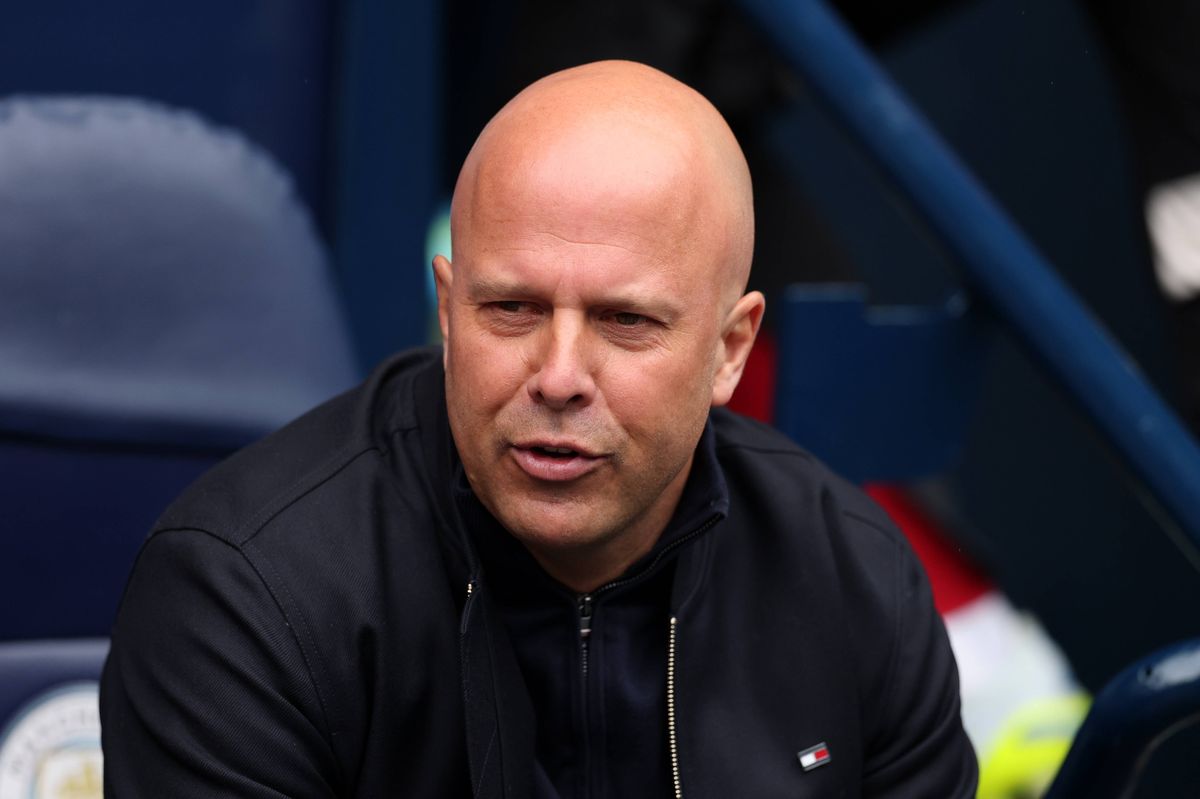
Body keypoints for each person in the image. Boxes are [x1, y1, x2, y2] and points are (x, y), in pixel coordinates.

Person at [100, 60, 977, 797]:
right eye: (511, 308)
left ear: (729, 349)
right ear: (448, 312)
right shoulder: (250, 595)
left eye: (626, 321)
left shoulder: (852, 582)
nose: (558, 377)